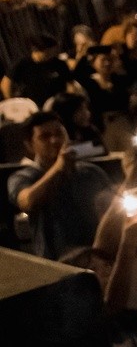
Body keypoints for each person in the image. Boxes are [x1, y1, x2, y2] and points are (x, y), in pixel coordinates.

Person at [8, 110, 114, 260]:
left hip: (98, 256)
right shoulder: (23, 177)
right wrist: (59, 167)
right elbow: (27, 201)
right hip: (58, 262)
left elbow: (113, 207)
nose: (55, 140)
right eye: (45, 137)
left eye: (59, 133)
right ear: (30, 145)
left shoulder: (90, 172)